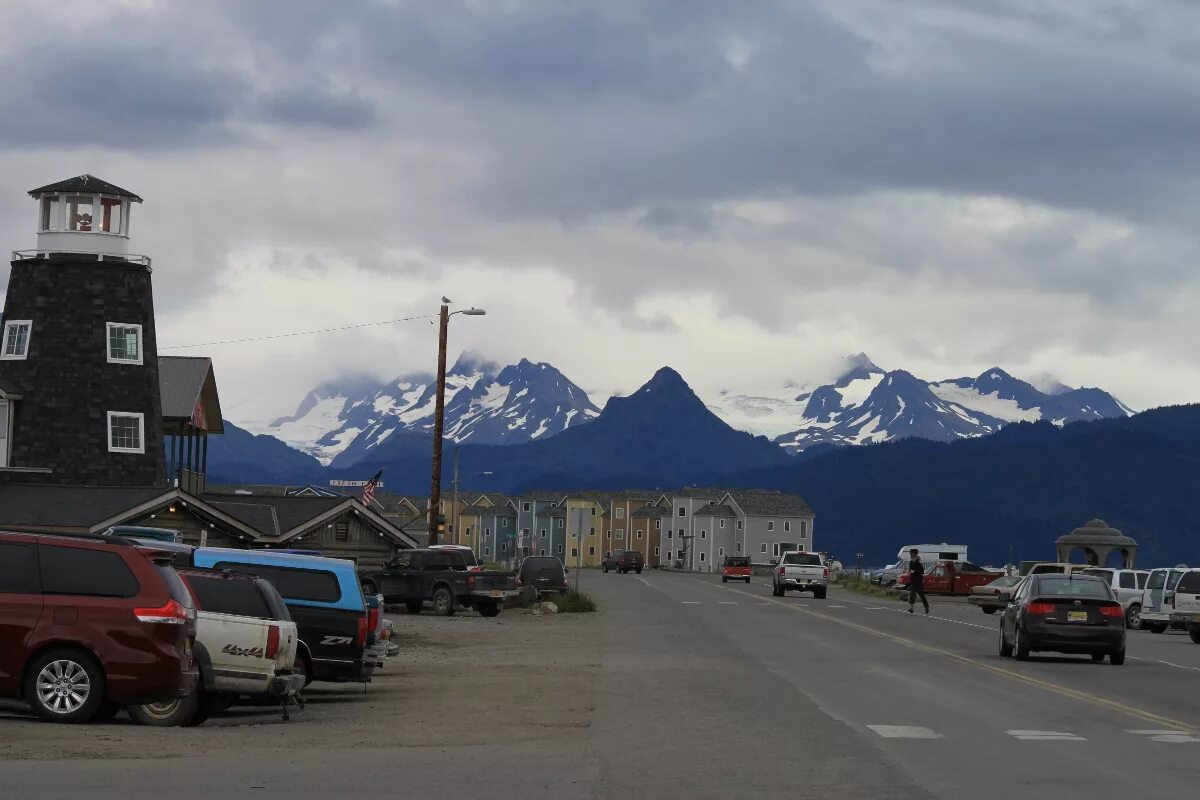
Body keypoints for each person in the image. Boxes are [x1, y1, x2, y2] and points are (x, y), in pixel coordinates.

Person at [907, 548, 929, 614]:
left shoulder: (918, 563)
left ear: (915, 554)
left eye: (912, 553)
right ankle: (912, 608)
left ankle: (926, 607)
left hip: (918, 582)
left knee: (922, 595)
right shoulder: (911, 562)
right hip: (913, 582)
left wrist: (915, 571)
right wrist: (909, 571)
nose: (910, 554)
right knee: (912, 595)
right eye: (910, 553)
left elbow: (922, 571)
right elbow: (910, 569)